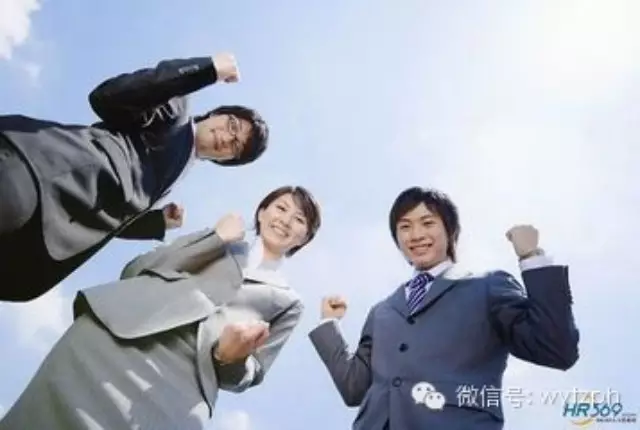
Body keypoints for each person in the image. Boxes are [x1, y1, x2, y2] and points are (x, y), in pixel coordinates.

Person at [0, 185, 321, 430]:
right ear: (262, 212)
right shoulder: (220, 241)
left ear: (303, 239)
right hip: (112, 341)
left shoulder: (289, 301)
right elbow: (136, 270)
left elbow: (254, 372)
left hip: (180, 390)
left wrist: (231, 358)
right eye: (280, 208)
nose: (285, 220)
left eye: (299, 219)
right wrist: (214, 238)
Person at [0, 52, 269, 302]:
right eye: (232, 125)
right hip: (40, 180)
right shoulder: (176, 110)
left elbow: (115, 217)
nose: (227, 138)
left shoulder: (175, 178)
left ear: (226, 160)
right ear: (217, 113)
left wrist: (157, 223)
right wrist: (207, 70)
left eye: (236, 147)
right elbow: (107, 96)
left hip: (39, 248)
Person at [309, 187, 579, 430]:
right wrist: (329, 325)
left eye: (427, 223)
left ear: (450, 231)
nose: (416, 235)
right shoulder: (382, 311)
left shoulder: (487, 286)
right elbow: (354, 388)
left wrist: (531, 258)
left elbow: (555, 349)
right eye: (405, 227)